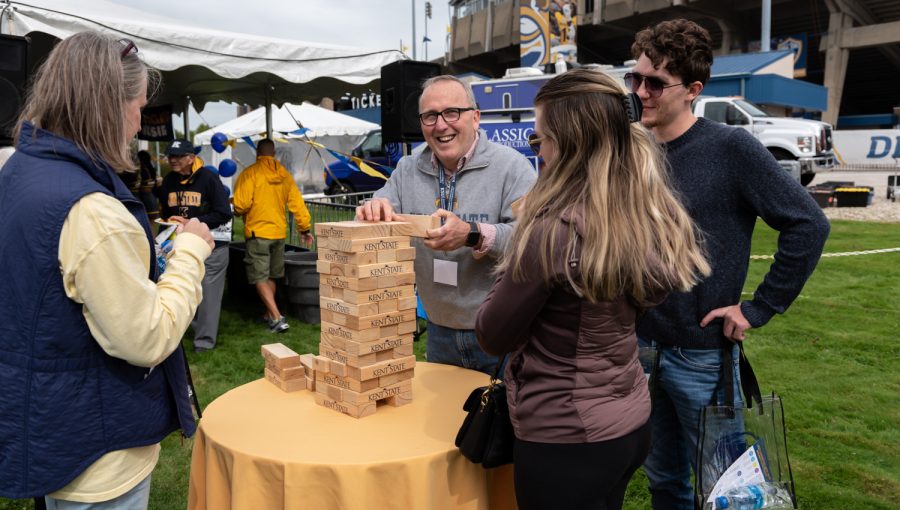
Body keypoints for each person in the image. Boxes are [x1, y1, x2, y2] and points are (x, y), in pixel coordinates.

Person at [475, 69, 710, 510]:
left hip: (564, 436)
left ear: (568, 145)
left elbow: (493, 333)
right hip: (627, 421)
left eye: (539, 139)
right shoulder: (641, 214)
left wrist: (517, 251)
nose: (537, 152)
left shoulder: (551, 232)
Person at [0, 31, 214, 508]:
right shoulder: (92, 209)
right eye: (138, 105)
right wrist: (190, 254)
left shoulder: (18, 172)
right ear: (107, 105)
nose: (139, 122)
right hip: (97, 446)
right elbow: (146, 338)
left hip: (51, 424)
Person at [628, 19, 830, 509]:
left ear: (693, 90)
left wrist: (758, 308)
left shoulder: (731, 148)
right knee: (664, 482)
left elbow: (808, 224)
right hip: (640, 349)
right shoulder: (632, 149)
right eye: (634, 78)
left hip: (702, 356)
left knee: (725, 493)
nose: (640, 91)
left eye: (655, 82)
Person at [356, 75, 537, 375]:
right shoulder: (407, 169)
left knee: (501, 420)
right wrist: (371, 209)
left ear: (476, 117)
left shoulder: (512, 167)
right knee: (446, 421)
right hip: (439, 331)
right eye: (430, 116)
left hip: (500, 335)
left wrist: (472, 234)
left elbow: (534, 240)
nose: (441, 125)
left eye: (452, 112)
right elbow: (374, 209)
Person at [157, 138, 233, 352]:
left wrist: (192, 223)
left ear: (191, 158)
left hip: (212, 246)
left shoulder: (208, 178)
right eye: (170, 156)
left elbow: (223, 213)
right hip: (180, 245)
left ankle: (204, 343)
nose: (172, 160)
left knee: (208, 296)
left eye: (178, 156)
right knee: (185, 287)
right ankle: (188, 330)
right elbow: (166, 212)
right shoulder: (169, 180)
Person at [232, 138, 313, 333]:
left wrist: (236, 208)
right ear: (274, 153)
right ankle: (269, 314)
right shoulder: (284, 175)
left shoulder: (250, 174)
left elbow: (241, 205)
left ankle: (276, 317)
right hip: (278, 233)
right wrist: (304, 228)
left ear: (257, 153)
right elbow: (297, 203)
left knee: (259, 276)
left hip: (258, 233)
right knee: (272, 275)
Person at [136, 149, 161, 222]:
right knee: (151, 222)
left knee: (145, 221)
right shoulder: (150, 169)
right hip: (150, 196)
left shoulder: (142, 170)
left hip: (144, 197)